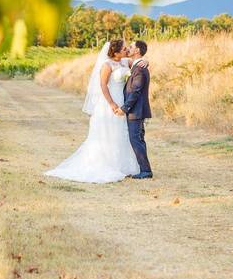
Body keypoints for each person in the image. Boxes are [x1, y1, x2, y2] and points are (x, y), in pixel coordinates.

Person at [45, 40, 144, 183]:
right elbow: (103, 85)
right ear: (115, 52)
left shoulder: (124, 62)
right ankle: (106, 163)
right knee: (107, 131)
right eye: (123, 49)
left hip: (122, 102)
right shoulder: (107, 65)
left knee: (121, 132)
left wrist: (145, 62)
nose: (126, 50)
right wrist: (111, 103)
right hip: (109, 102)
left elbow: (137, 62)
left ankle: (123, 165)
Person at [121, 40, 153, 179]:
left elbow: (136, 91)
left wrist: (125, 108)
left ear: (137, 50)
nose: (128, 48)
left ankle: (146, 171)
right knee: (139, 138)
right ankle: (144, 169)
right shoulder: (136, 65)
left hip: (136, 110)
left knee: (136, 139)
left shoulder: (139, 69)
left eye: (131, 47)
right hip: (136, 110)